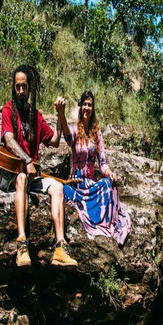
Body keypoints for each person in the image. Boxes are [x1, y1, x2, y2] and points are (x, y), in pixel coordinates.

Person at [0, 65, 78, 269]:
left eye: (24, 87)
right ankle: (22, 244)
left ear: (30, 88)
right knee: (22, 178)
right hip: (12, 174)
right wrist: (27, 160)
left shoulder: (35, 115)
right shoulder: (8, 110)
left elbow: (55, 141)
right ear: (13, 88)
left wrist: (60, 114)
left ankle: (60, 247)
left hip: (32, 176)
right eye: (18, 87)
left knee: (58, 188)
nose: (21, 91)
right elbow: (8, 139)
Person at [55, 90, 131, 245]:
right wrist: (61, 114)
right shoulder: (75, 130)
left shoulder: (97, 133)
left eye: (89, 105)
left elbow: (102, 163)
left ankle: (104, 221)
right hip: (76, 184)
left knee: (109, 184)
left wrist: (109, 172)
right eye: (84, 104)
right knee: (61, 189)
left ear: (93, 108)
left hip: (90, 185)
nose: (87, 108)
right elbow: (69, 140)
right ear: (80, 106)